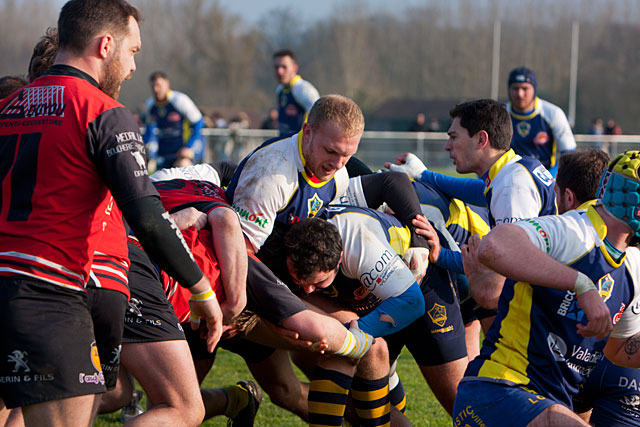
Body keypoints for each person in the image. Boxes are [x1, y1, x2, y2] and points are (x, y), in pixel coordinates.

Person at [0, 1, 219, 425]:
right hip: (50, 294)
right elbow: (147, 215)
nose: (135, 65)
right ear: (105, 45)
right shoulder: (102, 112)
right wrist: (202, 290)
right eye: (133, 51)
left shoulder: (8, 107)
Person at [452, 150, 640, 426]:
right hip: (498, 390)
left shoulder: (631, 266)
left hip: (548, 403)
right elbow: (495, 245)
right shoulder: (574, 231)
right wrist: (581, 284)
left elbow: (619, 350)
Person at [283, 211, 426, 426]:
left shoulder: (359, 245)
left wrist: (351, 333)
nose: (308, 290)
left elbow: (413, 303)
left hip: (419, 287)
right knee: (297, 370)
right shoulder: (292, 243)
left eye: (318, 283)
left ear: (338, 261)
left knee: (364, 351)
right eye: (298, 279)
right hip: (373, 295)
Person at [387, 98, 556, 275]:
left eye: (453, 137)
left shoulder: (512, 186)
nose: (447, 146)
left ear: (481, 139)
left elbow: (507, 265)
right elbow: (478, 190)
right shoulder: (515, 169)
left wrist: (441, 255)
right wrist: (424, 174)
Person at [506, 66, 576, 176]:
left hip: (544, 181)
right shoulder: (500, 114)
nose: (520, 94)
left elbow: (569, 154)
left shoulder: (553, 113)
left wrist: (547, 178)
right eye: (515, 88)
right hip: (507, 179)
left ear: (534, 90)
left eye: (525, 89)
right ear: (509, 89)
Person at [143, 71, 205, 169]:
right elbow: (149, 130)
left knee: (183, 168)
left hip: (181, 155)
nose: (156, 89)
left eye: (158, 85)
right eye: (153, 86)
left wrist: (188, 147)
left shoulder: (179, 100)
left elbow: (199, 123)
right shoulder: (150, 105)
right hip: (163, 155)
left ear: (167, 84)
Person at [273, 49, 320, 135]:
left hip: (299, 146)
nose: (279, 71)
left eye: (284, 67)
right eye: (276, 67)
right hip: (285, 143)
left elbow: (318, 116)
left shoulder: (303, 89)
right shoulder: (279, 90)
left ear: (294, 68)